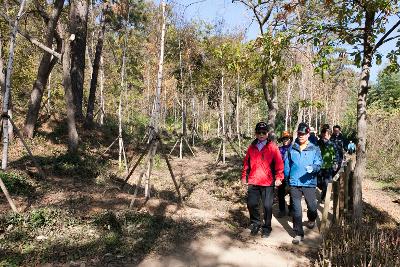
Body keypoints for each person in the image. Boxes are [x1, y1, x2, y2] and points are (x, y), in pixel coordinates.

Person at [241, 122, 284, 238]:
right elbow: (246, 163)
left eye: (263, 132)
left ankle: (266, 227)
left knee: (267, 206)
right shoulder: (252, 147)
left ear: (267, 133)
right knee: (251, 204)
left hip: (267, 181)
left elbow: (279, 164)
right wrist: (243, 176)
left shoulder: (273, 147)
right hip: (253, 180)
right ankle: (255, 223)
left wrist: (279, 177)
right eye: (259, 132)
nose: (261, 135)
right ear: (255, 133)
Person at [284, 122, 322, 244]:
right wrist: (286, 178)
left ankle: (311, 219)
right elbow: (287, 164)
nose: (301, 136)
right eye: (299, 133)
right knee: (296, 209)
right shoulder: (292, 148)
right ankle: (298, 233)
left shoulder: (315, 148)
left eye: (303, 134)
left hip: (309, 182)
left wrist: (314, 168)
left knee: (312, 206)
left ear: (308, 134)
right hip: (294, 182)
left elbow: (319, 163)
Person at [317, 128, 337, 203]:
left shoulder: (332, 144)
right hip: (319, 166)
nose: (323, 136)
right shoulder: (318, 143)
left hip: (328, 167)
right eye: (322, 135)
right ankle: (323, 191)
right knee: (318, 182)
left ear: (329, 136)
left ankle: (323, 197)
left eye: (325, 135)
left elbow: (335, 155)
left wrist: (335, 163)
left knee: (326, 183)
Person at [277, 131, 293, 217]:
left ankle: (291, 209)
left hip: (291, 174)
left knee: (292, 193)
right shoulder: (280, 149)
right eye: (284, 139)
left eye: (287, 138)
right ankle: (282, 210)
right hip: (281, 174)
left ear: (290, 139)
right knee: (280, 193)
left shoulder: (294, 149)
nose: (285, 140)